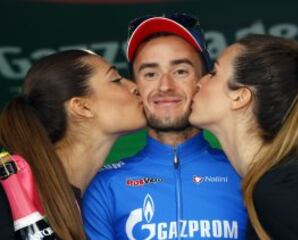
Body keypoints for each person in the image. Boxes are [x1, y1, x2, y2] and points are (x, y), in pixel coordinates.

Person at [82, 14, 248, 239]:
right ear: (135, 87)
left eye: (180, 71)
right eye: (150, 74)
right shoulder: (104, 185)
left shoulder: (245, 174)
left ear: (203, 81)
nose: (165, 86)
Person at [190, 33, 298, 239]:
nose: (200, 82)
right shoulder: (284, 178)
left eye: (214, 73)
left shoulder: (280, 188)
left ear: (240, 96)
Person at [0, 49, 145, 239]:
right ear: (82, 106)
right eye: (116, 80)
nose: (135, 87)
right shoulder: (9, 192)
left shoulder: (98, 204)